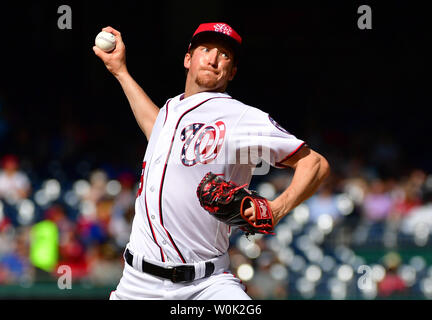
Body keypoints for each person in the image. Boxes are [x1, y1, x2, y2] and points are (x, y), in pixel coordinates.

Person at [93, 22, 330, 300]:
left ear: (232, 72)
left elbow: (315, 164)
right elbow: (153, 125)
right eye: (206, 49)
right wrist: (120, 71)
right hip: (137, 284)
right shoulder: (170, 110)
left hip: (207, 285)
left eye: (225, 55)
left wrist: (277, 209)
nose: (214, 58)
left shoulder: (240, 117)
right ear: (188, 59)